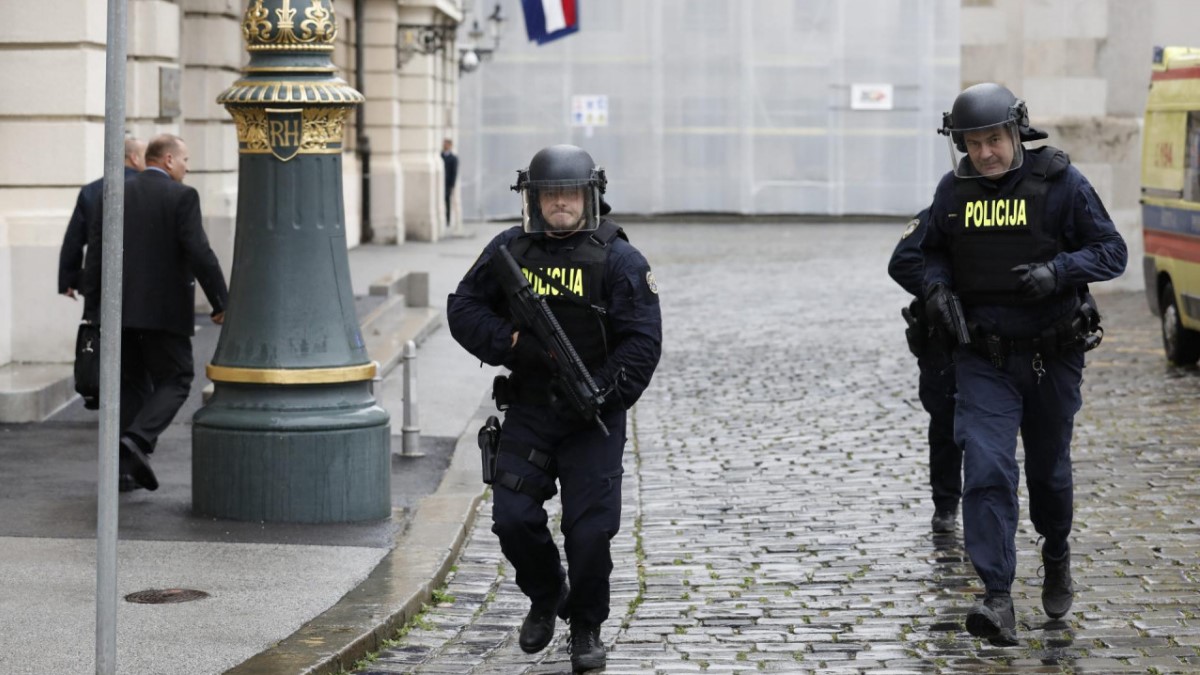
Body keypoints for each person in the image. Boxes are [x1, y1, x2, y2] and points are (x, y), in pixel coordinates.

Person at [921, 83, 1126, 645]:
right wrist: (935, 286)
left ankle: (1056, 551)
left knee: (1049, 474)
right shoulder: (953, 190)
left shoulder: (1062, 184)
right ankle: (997, 597)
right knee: (986, 467)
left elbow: (1113, 251)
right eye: (972, 143)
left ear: (1015, 133)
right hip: (983, 358)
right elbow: (928, 250)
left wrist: (1059, 272)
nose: (984, 153)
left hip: (1051, 356)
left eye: (993, 140)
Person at [446, 144, 661, 672]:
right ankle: (547, 596)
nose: (559, 204)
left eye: (569, 194)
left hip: (593, 417)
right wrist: (513, 345)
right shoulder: (510, 251)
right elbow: (463, 307)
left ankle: (585, 624)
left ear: (590, 197)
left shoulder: (620, 259)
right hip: (530, 410)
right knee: (513, 519)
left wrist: (600, 393)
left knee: (590, 531)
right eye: (549, 196)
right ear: (533, 200)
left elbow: (642, 342)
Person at [81, 133, 229, 493]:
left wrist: (94, 311)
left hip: (118, 312)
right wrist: (221, 301)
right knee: (178, 378)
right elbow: (199, 252)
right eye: (184, 160)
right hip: (164, 312)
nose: (187, 167)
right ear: (167, 161)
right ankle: (138, 440)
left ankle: (125, 471)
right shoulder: (182, 196)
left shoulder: (112, 194)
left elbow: (96, 255)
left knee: (132, 386)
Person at [888, 208, 961, 534]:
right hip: (942, 340)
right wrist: (941, 292)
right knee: (945, 424)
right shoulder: (942, 209)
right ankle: (945, 503)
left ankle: (984, 503)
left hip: (995, 333)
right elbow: (902, 262)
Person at [59, 137, 145, 299]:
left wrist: (67, 280)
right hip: (140, 282)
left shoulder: (91, 190)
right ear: (134, 158)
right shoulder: (149, 190)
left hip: (98, 280)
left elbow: (74, 239)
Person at [441, 138, 458, 227]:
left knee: (447, 201)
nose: (445, 145)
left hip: (447, 184)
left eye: (446, 144)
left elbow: (454, 172)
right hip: (440, 183)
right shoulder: (440, 156)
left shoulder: (453, 158)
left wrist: (452, 184)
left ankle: (447, 220)